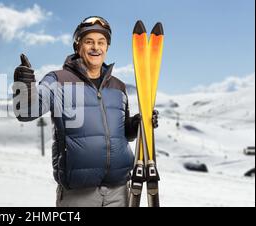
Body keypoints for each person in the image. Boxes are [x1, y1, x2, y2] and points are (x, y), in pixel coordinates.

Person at [13, 16, 158, 207]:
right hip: (78, 195)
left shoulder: (118, 87)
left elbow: (122, 134)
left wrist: (137, 125)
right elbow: (26, 111)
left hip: (120, 191)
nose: (95, 47)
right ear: (78, 46)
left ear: (107, 47)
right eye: (89, 42)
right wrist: (24, 83)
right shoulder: (58, 80)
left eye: (101, 42)